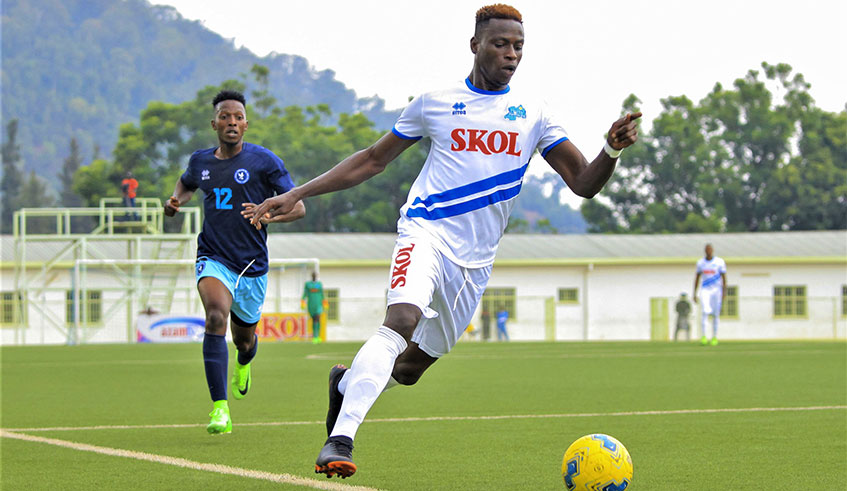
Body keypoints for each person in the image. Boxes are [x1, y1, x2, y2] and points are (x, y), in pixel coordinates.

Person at [248, 4, 640, 478]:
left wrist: (612, 148)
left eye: (518, 46)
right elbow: (372, 160)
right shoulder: (435, 101)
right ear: (475, 45)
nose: (511, 54)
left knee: (410, 369)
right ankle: (340, 440)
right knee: (401, 319)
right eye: (500, 44)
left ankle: (346, 383)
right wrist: (295, 192)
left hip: (474, 263)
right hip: (425, 231)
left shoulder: (534, 113)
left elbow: (582, 183)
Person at [164, 89, 305, 435]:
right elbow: (186, 183)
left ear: (246, 125)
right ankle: (219, 409)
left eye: (238, 117)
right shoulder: (201, 161)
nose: (231, 122)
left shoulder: (264, 162)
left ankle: (244, 361)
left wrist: (270, 217)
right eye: (225, 116)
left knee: (244, 340)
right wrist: (175, 200)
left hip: (252, 264)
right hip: (213, 255)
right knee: (215, 315)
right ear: (214, 123)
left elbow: (299, 207)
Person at [693, 244, 727, 346]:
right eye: (707, 250)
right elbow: (697, 278)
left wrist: (724, 291)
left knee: (716, 314)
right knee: (705, 312)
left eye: (710, 249)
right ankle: (703, 336)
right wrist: (694, 293)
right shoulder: (700, 263)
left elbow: (724, 277)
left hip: (717, 291)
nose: (708, 251)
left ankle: (714, 337)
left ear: (712, 250)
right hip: (705, 290)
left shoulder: (719, 262)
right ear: (705, 251)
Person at [302, 272, 326, 344]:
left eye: (315, 276)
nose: (314, 277)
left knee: (317, 319)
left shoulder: (319, 284)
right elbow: (305, 293)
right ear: (311, 276)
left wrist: (324, 302)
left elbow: (322, 294)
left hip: (318, 305)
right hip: (311, 305)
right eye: (313, 275)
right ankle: (315, 336)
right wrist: (303, 301)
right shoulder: (308, 285)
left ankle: (316, 336)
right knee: (314, 320)